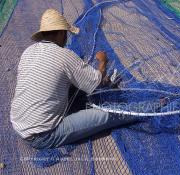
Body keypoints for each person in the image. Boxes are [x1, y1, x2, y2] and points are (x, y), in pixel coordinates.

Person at [10, 9, 137, 149]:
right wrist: (102, 62)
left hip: (19, 125)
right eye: (66, 33)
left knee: (74, 85)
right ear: (60, 33)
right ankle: (153, 107)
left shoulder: (28, 52)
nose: (66, 38)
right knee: (109, 115)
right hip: (44, 135)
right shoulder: (64, 55)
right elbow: (97, 83)